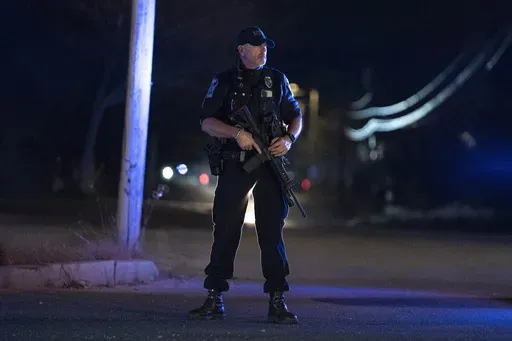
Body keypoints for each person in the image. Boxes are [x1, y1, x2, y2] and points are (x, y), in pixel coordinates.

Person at [189, 26, 303, 324]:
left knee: (271, 231)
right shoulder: (225, 80)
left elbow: (295, 115)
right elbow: (206, 121)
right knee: (226, 228)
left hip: (269, 164)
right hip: (237, 163)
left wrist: (289, 139)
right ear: (241, 49)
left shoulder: (276, 79)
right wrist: (236, 133)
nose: (263, 50)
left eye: (265, 45)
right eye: (256, 46)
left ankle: (277, 299)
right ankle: (215, 296)